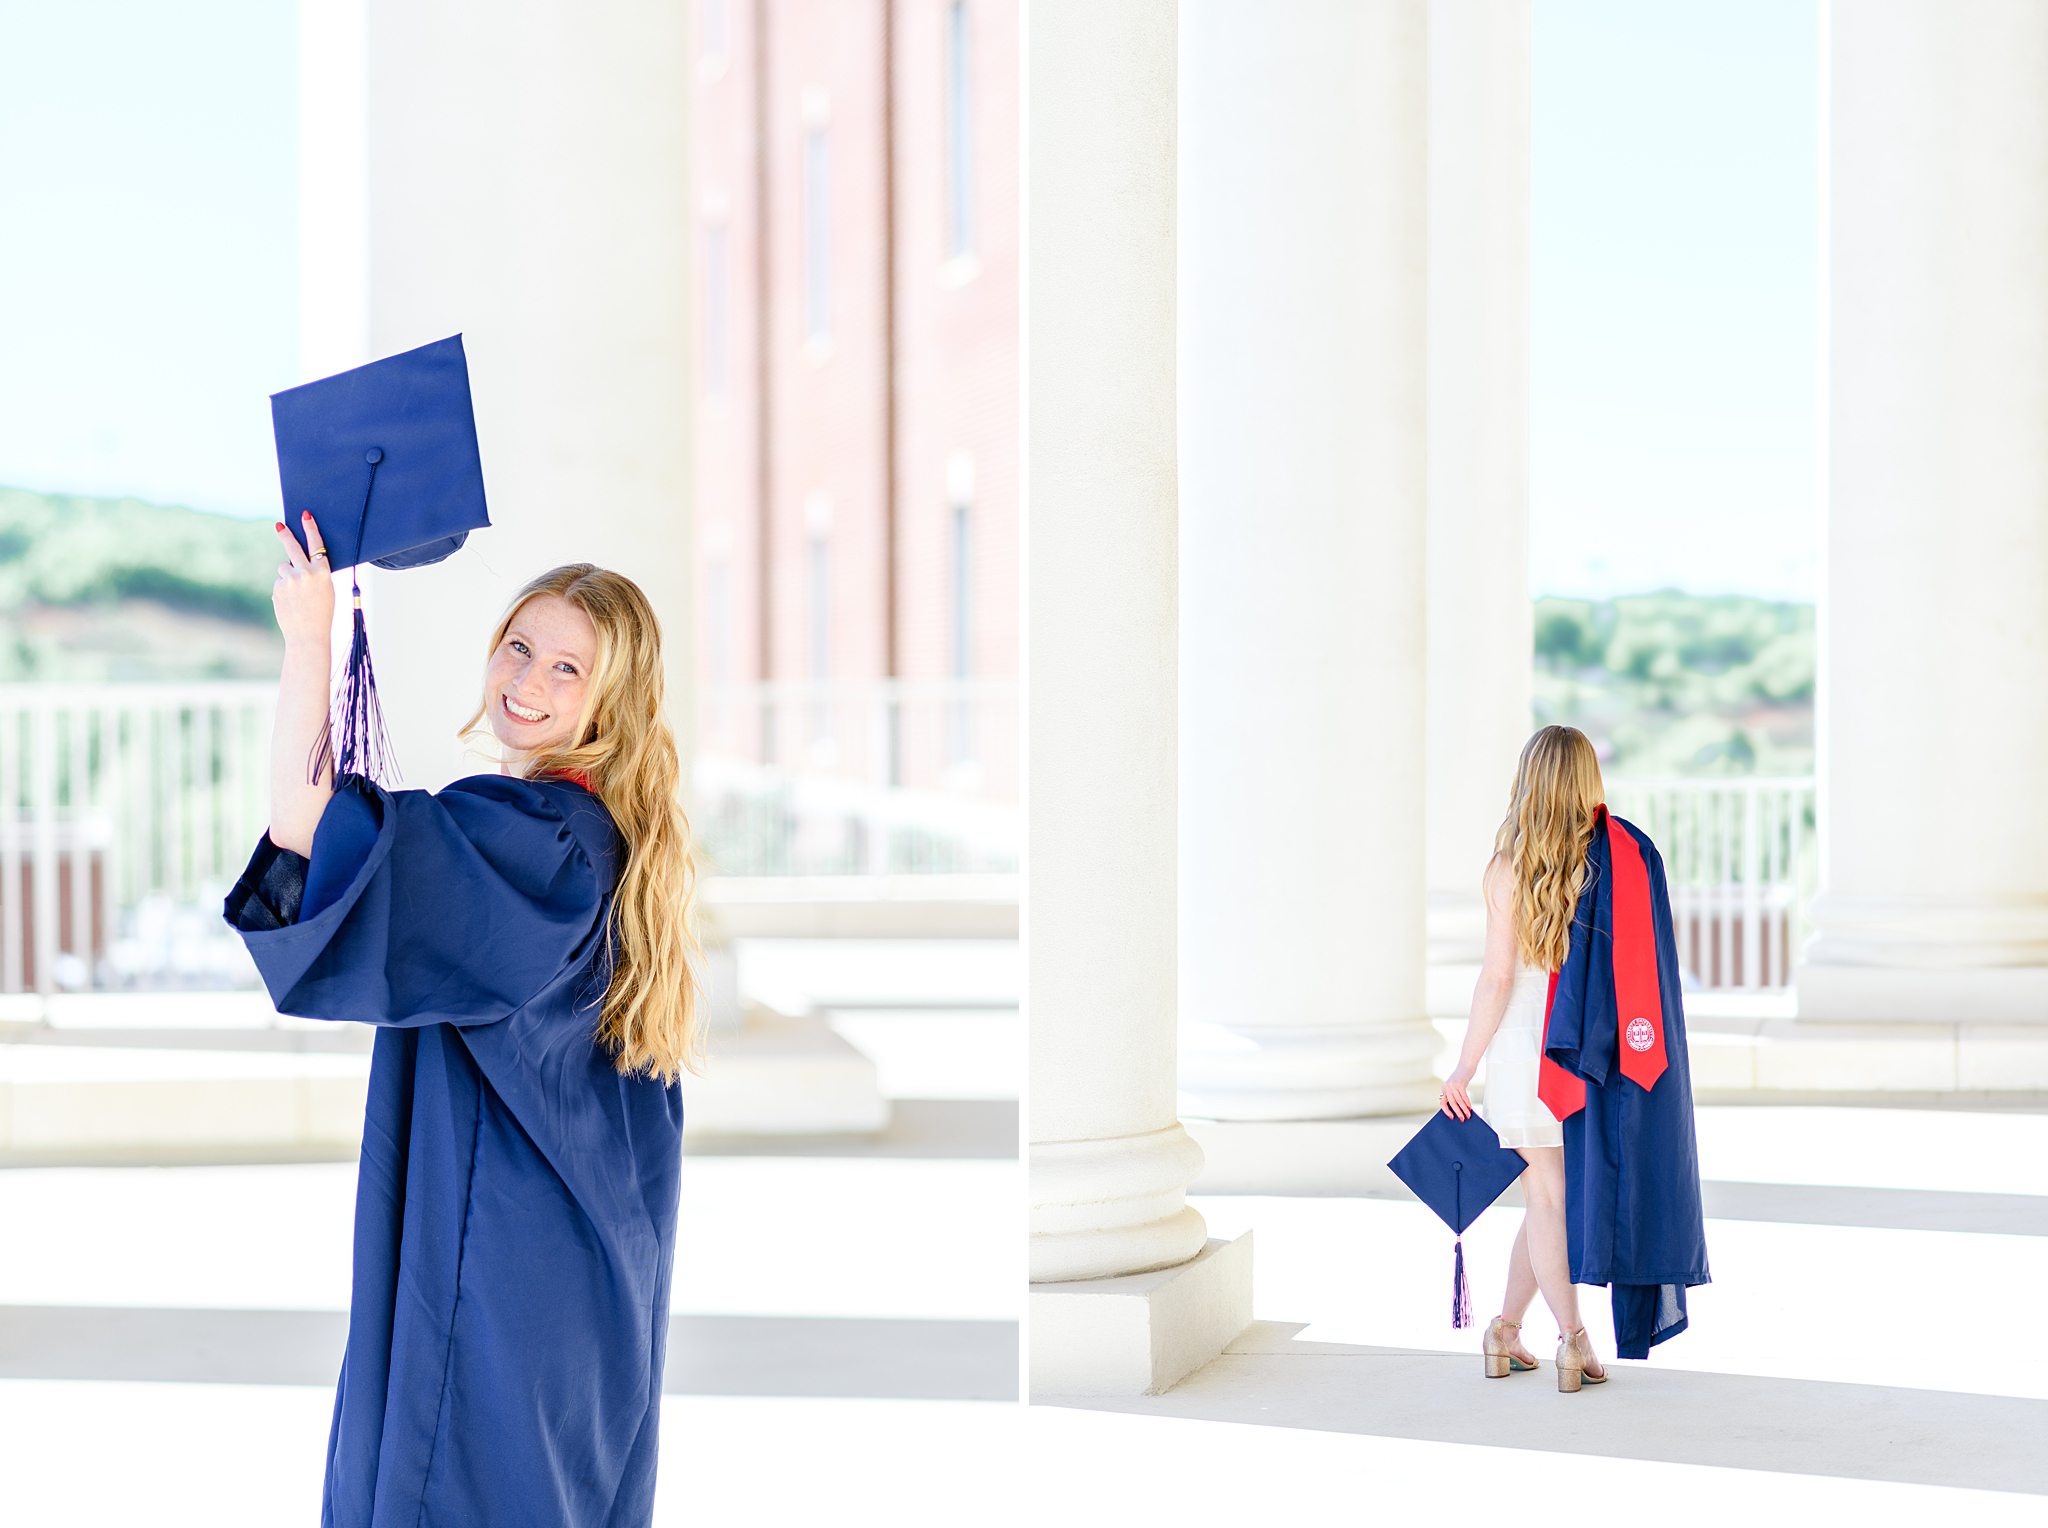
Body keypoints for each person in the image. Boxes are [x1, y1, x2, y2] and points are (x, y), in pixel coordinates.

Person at [222, 511, 706, 1525]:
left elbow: (311, 832)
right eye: (519, 646)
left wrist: (309, 638)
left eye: (568, 668)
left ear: (611, 697)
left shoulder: (539, 840)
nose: (528, 680)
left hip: (500, 1278)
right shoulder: (606, 838)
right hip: (575, 1282)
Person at [1438, 724, 1612, 1391]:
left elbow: (1497, 980)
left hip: (1520, 1053)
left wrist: (1465, 1065)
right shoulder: (1603, 865)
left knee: (1545, 1197)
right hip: (1580, 1054)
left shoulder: (1505, 869)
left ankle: (1505, 1331)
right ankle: (1572, 1340)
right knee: (1550, 1197)